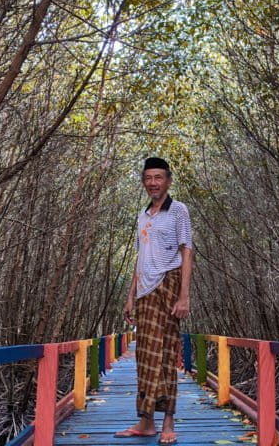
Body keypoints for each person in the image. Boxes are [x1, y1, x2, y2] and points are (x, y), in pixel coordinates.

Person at [114, 157, 193, 445]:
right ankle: (146, 421)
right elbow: (141, 258)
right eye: (148, 178)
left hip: (168, 285)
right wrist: (130, 295)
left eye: (158, 177)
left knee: (166, 353)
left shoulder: (178, 211)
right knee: (145, 357)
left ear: (168, 180)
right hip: (145, 292)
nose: (153, 183)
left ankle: (168, 421)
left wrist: (184, 296)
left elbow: (187, 252)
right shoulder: (143, 216)